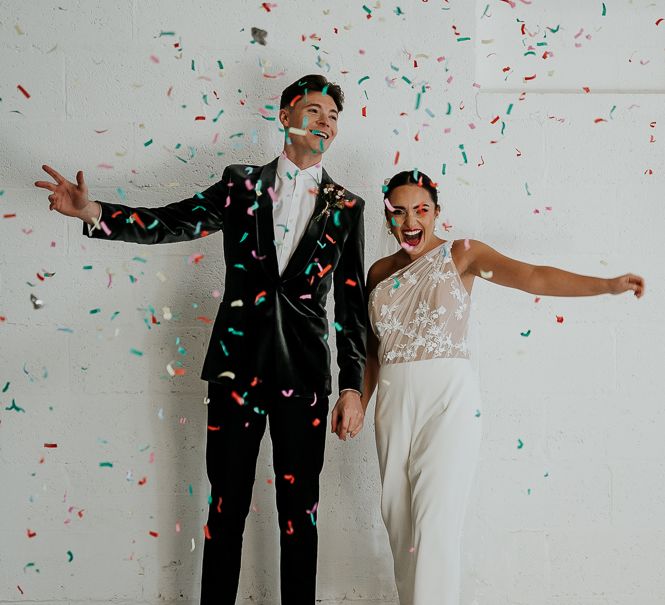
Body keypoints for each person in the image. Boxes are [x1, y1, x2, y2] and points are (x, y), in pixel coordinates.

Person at [35, 74, 368, 605]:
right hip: (236, 369)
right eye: (314, 111)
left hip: (305, 377)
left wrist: (351, 386)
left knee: (299, 516)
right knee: (225, 510)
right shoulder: (240, 184)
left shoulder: (348, 206)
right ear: (284, 117)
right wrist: (95, 214)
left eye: (333, 117)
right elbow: (174, 222)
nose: (325, 122)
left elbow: (352, 309)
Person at [342, 169, 645, 605]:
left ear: (436, 212)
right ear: (387, 217)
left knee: (434, 525)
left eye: (422, 210)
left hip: (447, 402)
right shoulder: (378, 272)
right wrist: (358, 399)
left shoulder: (461, 254)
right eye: (400, 212)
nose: (411, 221)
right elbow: (373, 349)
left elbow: (533, 276)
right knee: (401, 526)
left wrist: (606, 286)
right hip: (392, 404)